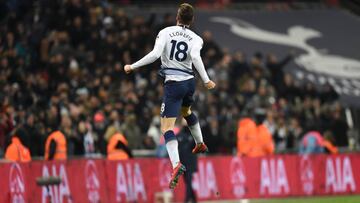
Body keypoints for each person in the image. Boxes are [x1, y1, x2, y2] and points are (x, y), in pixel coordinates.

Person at [124, 3, 216, 189]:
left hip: (174, 84)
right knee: (187, 110)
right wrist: (206, 80)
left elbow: (156, 54)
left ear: (177, 17)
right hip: (190, 83)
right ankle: (200, 143)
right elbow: (196, 58)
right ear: (192, 20)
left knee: (167, 128)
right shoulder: (197, 38)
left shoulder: (165, 32)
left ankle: (176, 165)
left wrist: (132, 66)